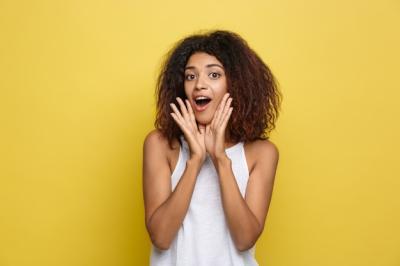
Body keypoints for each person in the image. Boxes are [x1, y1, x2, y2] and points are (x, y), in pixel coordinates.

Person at [142, 29, 282, 266]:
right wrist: (195, 161)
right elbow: (161, 237)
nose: (199, 85)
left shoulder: (262, 153)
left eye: (214, 75)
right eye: (190, 76)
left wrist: (220, 159)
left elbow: (245, 239)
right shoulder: (160, 145)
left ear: (236, 85)